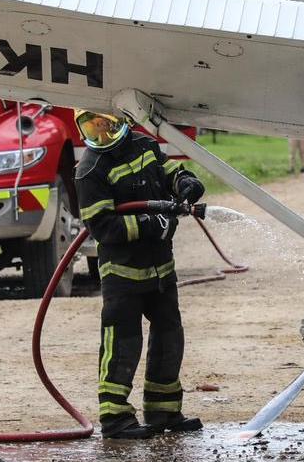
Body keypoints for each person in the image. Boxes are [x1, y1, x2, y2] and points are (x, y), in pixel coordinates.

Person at [73, 110, 206, 439]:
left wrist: (184, 181)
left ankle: (164, 411)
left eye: (105, 125)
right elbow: (103, 227)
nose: (101, 134)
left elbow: (168, 170)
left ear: (121, 121)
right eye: (92, 128)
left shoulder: (145, 145)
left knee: (169, 335)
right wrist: (150, 224)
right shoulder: (90, 170)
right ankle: (115, 417)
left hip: (161, 268)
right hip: (123, 273)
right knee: (123, 342)